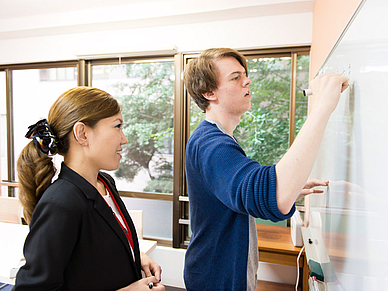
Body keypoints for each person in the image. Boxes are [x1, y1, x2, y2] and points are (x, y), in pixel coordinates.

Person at [183, 48, 349, 291]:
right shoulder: (211, 144)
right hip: (214, 280)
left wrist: (291, 186)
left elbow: (247, 190)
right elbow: (271, 198)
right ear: (209, 93)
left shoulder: (216, 138)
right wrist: (323, 105)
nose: (247, 80)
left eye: (245, 75)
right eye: (235, 77)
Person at [14, 87, 165, 291]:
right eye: (118, 126)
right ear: (82, 133)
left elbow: (94, 247)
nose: (124, 139)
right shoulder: (61, 203)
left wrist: (134, 255)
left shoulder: (105, 183)